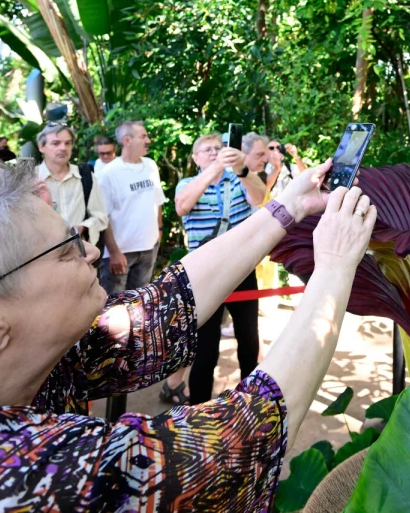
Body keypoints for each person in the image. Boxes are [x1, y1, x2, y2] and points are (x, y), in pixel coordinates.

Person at [0, 157, 376, 510]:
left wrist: (284, 210)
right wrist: (333, 266)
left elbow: (161, 308)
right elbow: (238, 440)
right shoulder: (4, 476)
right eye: (67, 248)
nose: (91, 251)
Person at [160, 133, 264, 405]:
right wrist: (215, 167)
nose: (214, 152)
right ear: (195, 158)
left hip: (242, 270)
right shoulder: (188, 183)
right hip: (204, 275)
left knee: (249, 341)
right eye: (206, 150)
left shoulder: (239, 178)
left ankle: (250, 405)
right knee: (205, 349)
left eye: (218, 148)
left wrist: (241, 168)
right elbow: (182, 206)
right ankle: (198, 409)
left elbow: (260, 197)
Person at [95, 121, 167, 295]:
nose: (148, 140)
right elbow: (103, 216)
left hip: (148, 248)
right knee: (115, 305)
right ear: (127, 141)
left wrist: (159, 232)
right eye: (143, 136)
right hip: (121, 253)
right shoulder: (109, 173)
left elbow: (157, 201)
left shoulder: (150, 165)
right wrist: (113, 252)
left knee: (140, 304)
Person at [36, 123, 108, 245]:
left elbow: (101, 217)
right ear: (41, 147)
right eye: (56, 143)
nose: (63, 148)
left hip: (79, 251)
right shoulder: (31, 178)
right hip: (43, 251)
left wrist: (82, 227)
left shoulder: (85, 175)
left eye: (68, 143)